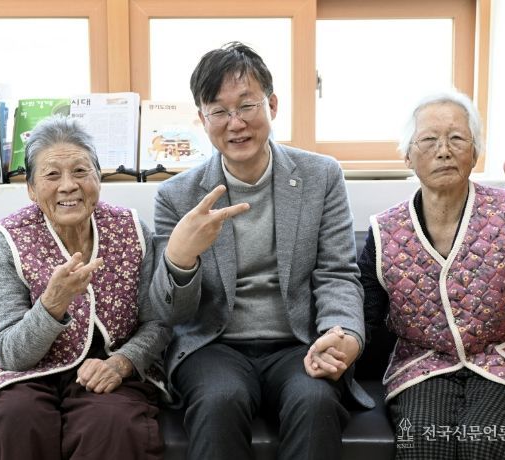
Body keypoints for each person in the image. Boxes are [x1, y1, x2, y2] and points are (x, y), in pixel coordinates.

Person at [149, 41, 373, 460]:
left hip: (297, 342)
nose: (235, 123)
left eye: (246, 105)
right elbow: (171, 314)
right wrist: (180, 260)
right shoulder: (177, 196)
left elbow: (338, 274)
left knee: (315, 401)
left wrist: (341, 333)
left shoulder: (321, 176)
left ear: (272, 104)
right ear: (202, 119)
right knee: (219, 401)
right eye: (219, 111)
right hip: (214, 346)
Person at [358, 90, 505, 459]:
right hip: (426, 364)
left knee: (484, 439)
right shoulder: (385, 231)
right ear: (407, 156)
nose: (443, 151)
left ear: (475, 152)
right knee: (423, 442)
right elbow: (365, 313)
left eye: (457, 138)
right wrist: (338, 340)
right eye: (429, 140)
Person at [0, 115, 170, 460]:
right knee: (16, 418)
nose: (68, 185)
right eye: (52, 175)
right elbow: (11, 354)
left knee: (113, 423)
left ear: (98, 177)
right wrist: (52, 303)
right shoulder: (9, 240)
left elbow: (157, 322)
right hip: (23, 372)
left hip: (107, 365)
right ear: (31, 189)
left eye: (81, 171)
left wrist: (121, 363)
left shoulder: (131, 230)